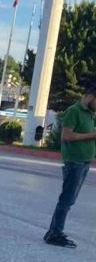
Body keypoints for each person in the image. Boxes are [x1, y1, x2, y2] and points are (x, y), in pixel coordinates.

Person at [44, 85, 96, 248]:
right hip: (75, 162)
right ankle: (54, 233)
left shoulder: (90, 114)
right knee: (66, 199)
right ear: (91, 97)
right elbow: (67, 136)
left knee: (69, 199)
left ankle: (54, 231)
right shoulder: (74, 111)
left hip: (84, 162)